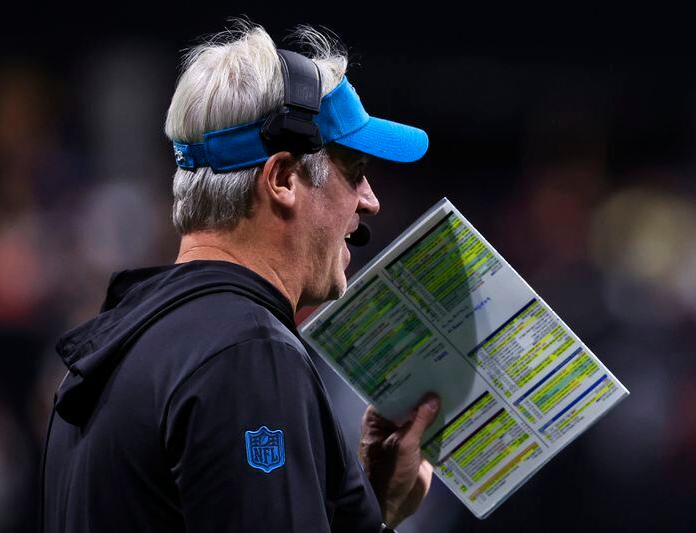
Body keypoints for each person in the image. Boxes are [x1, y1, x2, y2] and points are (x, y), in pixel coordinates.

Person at [42, 21, 441, 533]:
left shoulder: (114, 351)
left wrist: (363, 508)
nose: (370, 200)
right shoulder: (249, 353)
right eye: (354, 169)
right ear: (282, 180)